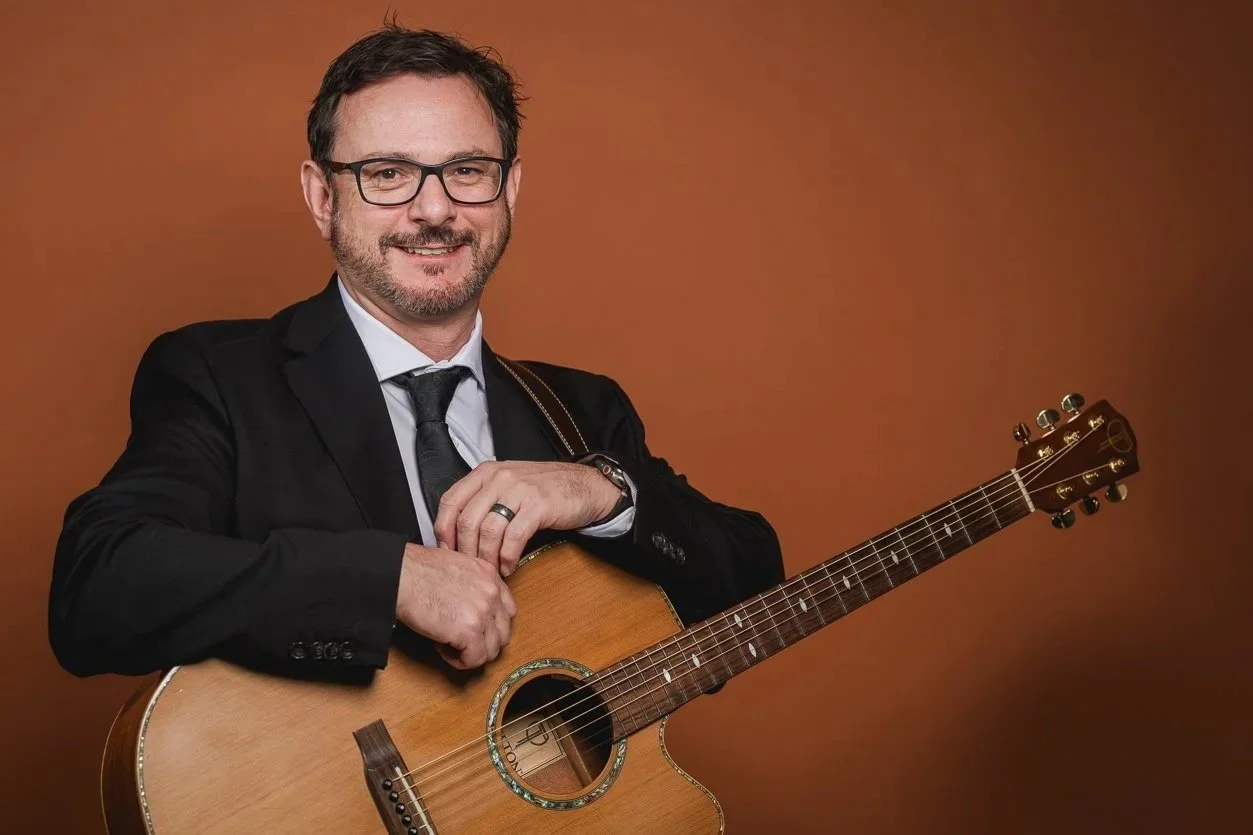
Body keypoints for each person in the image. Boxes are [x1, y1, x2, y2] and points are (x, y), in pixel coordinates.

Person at [48, 24, 783, 680]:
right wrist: (390, 579)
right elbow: (98, 586)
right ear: (321, 196)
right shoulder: (219, 375)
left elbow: (754, 586)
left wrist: (605, 493)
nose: (434, 210)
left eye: (466, 170)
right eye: (388, 174)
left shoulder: (581, 411)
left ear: (510, 189)